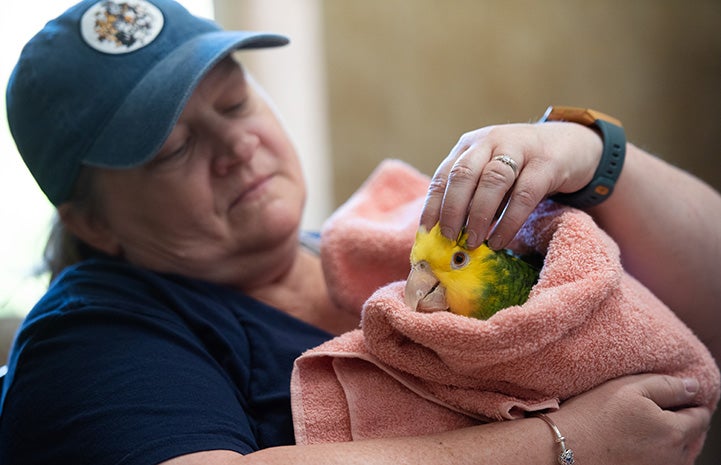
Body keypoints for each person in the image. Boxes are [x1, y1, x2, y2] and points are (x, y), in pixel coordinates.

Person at [0, 1, 718, 464]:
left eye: (234, 98)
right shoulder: (90, 335)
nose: (235, 144)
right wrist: (565, 443)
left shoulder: (386, 241)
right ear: (92, 219)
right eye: (172, 147)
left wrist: (594, 156)